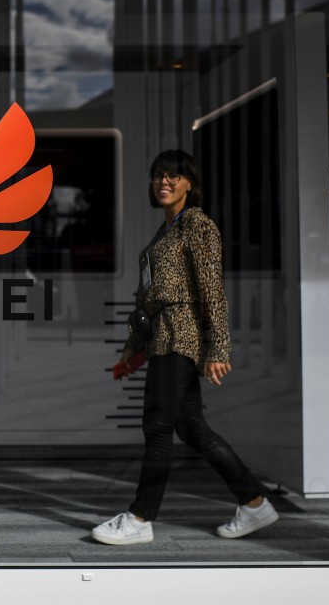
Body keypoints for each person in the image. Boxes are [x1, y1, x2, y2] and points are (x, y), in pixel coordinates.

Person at [91, 149, 277, 546]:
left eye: (174, 176)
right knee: (192, 429)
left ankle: (140, 518)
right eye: (159, 175)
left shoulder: (197, 225)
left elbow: (212, 289)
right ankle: (254, 502)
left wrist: (219, 348)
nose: (164, 182)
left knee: (157, 428)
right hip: (161, 337)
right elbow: (145, 299)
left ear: (190, 184)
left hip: (182, 336)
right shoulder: (166, 232)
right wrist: (131, 348)